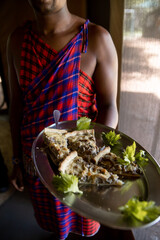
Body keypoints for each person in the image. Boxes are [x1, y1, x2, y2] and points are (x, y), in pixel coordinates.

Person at [7, 0, 134, 239]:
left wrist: (93, 155)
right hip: (38, 162)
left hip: (81, 165)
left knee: (84, 225)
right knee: (52, 223)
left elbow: (109, 106)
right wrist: (16, 159)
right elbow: (17, 107)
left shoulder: (95, 39)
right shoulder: (17, 41)